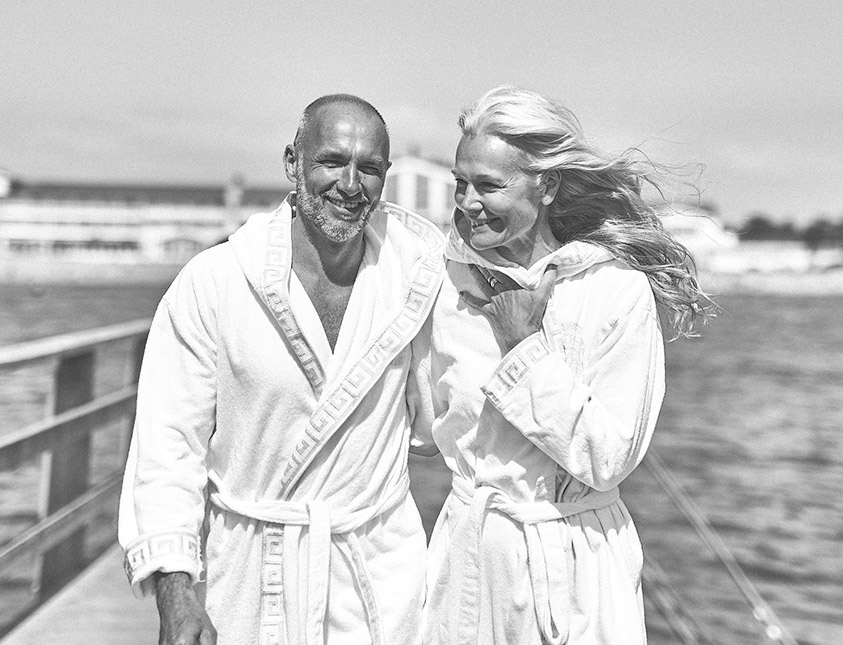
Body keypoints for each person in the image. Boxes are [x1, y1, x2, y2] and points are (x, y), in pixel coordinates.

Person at [118, 94, 444, 645]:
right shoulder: (215, 282)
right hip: (248, 581)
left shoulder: (415, 282)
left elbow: (447, 427)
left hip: (379, 584)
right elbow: (168, 449)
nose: (349, 184)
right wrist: (176, 598)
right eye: (331, 161)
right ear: (292, 162)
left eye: (368, 168)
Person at [410, 86, 710, 644]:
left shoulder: (616, 291)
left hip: (579, 568)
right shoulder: (441, 285)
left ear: (546, 186)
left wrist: (523, 349)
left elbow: (608, 459)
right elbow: (420, 427)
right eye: (460, 183)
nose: (468, 203)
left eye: (490, 186)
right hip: (468, 561)